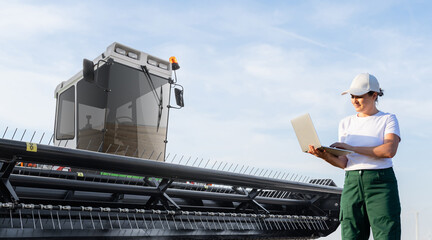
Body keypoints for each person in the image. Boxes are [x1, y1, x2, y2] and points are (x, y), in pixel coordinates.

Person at [308, 73, 401, 240]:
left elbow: (389, 150)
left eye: (359, 96)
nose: (354, 101)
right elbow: (344, 162)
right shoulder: (346, 123)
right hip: (352, 183)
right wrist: (323, 156)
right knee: (351, 235)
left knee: (387, 234)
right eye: (352, 96)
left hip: (381, 183)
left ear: (374, 95)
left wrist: (352, 148)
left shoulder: (387, 119)